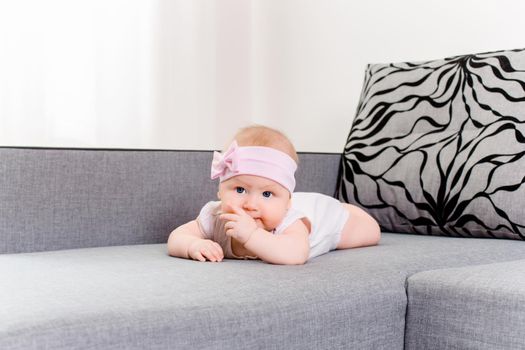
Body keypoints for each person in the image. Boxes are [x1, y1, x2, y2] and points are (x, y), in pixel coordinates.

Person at [167, 125, 380, 265]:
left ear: (287, 203)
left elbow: (296, 254)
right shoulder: (215, 217)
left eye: (267, 193)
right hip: (295, 202)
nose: (251, 205)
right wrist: (193, 245)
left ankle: (349, 209)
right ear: (220, 192)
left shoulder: (290, 221)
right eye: (240, 190)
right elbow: (176, 237)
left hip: (327, 218)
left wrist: (252, 236)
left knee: (371, 232)